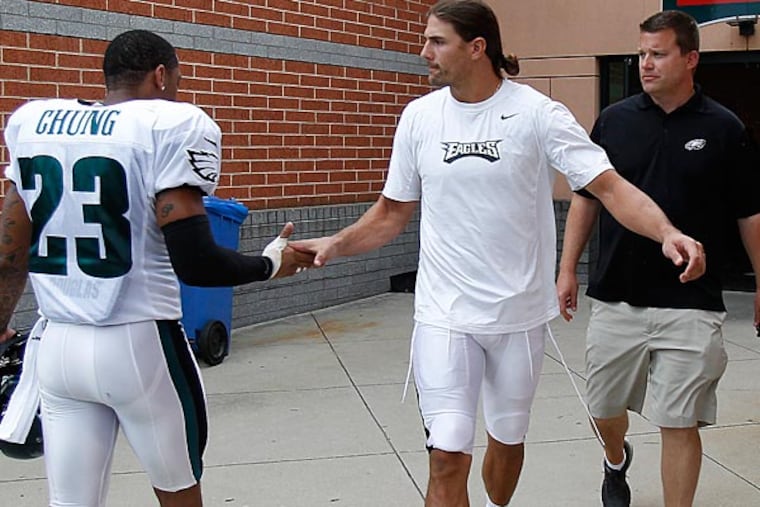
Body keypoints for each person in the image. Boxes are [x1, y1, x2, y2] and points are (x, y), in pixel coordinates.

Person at [290, 2, 705, 506]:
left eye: (436, 41)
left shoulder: (536, 114)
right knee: (446, 455)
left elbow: (610, 187)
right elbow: (391, 212)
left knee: (507, 444)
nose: (424, 52)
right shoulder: (420, 117)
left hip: (518, 317)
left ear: (477, 47)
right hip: (445, 315)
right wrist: (335, 243)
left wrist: (665, 232)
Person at [0, 29, 313, 507]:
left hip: (57, 345)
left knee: (70, 502)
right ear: (161, 74)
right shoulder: (169, 125)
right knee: (177, 490)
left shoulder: (35, 123)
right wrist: (270, 264)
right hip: (139, 343)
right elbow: (197, 261)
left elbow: (8, 253)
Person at [556, 10, 760, 507]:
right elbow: (586, 197)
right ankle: (615, 456)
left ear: (690, 59)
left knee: (679, 419)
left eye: (658, 54)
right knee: (604, 407)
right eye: (641, 54)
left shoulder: (724, 127)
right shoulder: (614, 120)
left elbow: (749, 214)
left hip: (692, 299)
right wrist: (567, 271)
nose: (645, 64)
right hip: (617, 294)